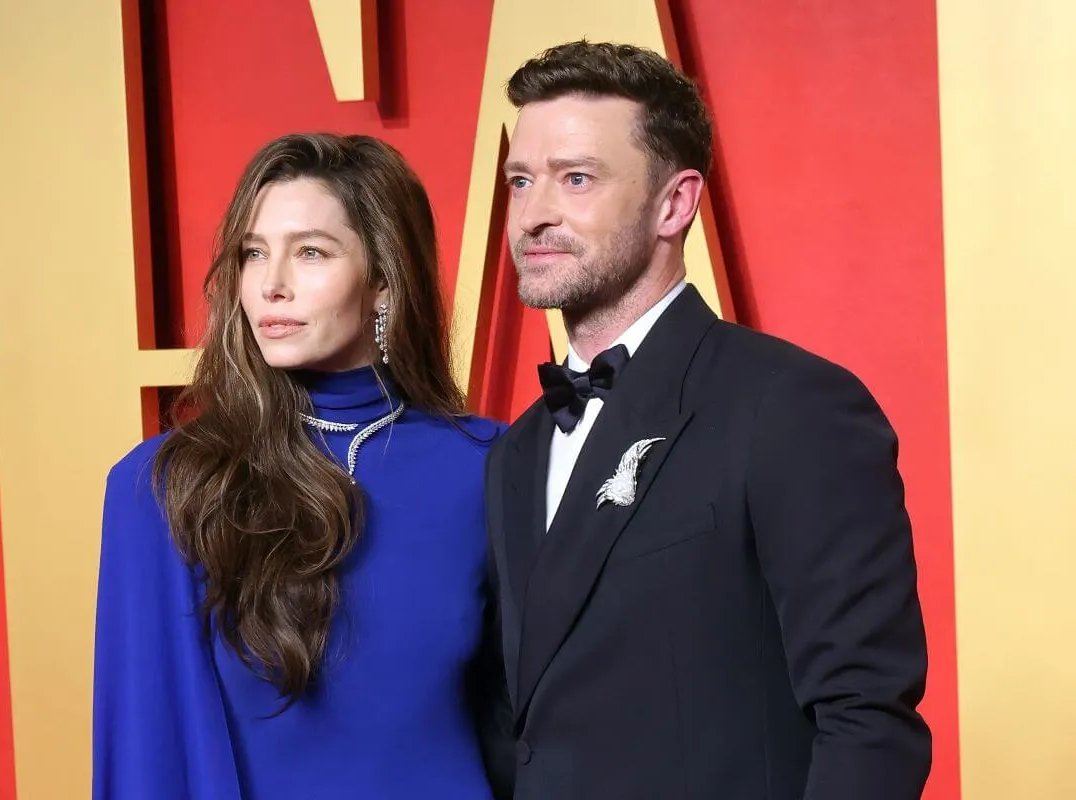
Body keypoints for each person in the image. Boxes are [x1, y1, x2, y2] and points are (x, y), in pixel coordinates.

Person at [484, 40, 931, 799]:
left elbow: (867, 720)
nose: (534, 214)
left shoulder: (792, 406)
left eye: (577, 179)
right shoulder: (517, 451)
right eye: (521, 181)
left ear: (675, 203)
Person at [93, 133, 513, 799]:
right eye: (253, 253)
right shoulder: (168, 484)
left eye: (310, 252)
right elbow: (146, 755)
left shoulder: (493, 466)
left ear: (382, 282)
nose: (271, 284)